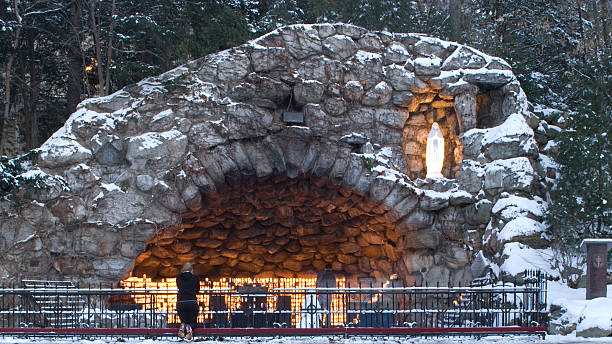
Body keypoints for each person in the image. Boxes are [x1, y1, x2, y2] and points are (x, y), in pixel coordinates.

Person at [176, 262, 199, 340]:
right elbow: (197, 290)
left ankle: (183, 325)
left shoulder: (178, 277)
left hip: (181, 302)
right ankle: (189, 327)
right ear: (191, 269)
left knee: (184, 319)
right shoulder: (195, 278)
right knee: (192, 320)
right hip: (192, 301)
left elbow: (179, 286)